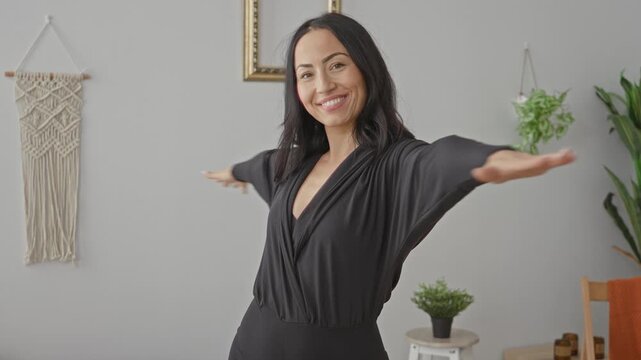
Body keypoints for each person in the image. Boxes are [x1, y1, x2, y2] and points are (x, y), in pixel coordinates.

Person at [202, 12, 575, 360]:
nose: (324, 84)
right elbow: (258, 166)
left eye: (336, 65)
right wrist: (232, 172)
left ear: (366, 69)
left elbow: (443, 158)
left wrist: (493, 160)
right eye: (306, 74)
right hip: (252, 345)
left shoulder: (393, 166)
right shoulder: (292, 164)